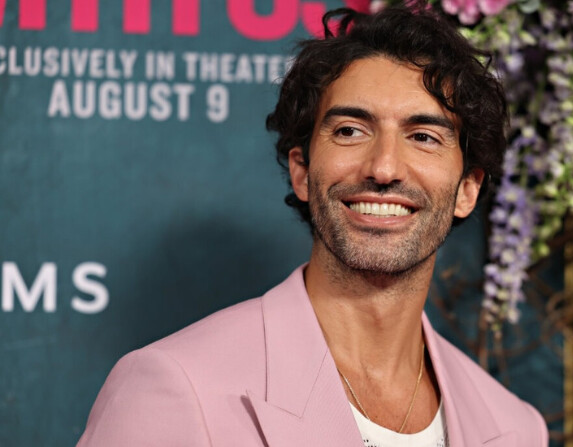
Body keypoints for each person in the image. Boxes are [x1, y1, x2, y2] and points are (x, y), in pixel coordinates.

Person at [77, 4, 548, 447]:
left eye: (423, 137)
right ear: (302, 171)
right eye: (349, 131)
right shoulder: (175, 386)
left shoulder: (515, 428)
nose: (384, 168)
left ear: (468, 188)